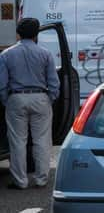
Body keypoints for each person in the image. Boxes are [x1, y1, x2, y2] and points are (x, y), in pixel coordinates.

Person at [0, 18, 60, 189]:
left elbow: (2, 83)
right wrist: (50, 98)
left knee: (17, 141)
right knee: (42, 140)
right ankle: (41, 179)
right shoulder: (45, 54)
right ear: (36, 35)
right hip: (40, 98)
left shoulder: (6, 55)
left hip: (16, 98)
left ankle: (20, 181)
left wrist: (7, 100)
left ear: (18, 34)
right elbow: (54, 83)